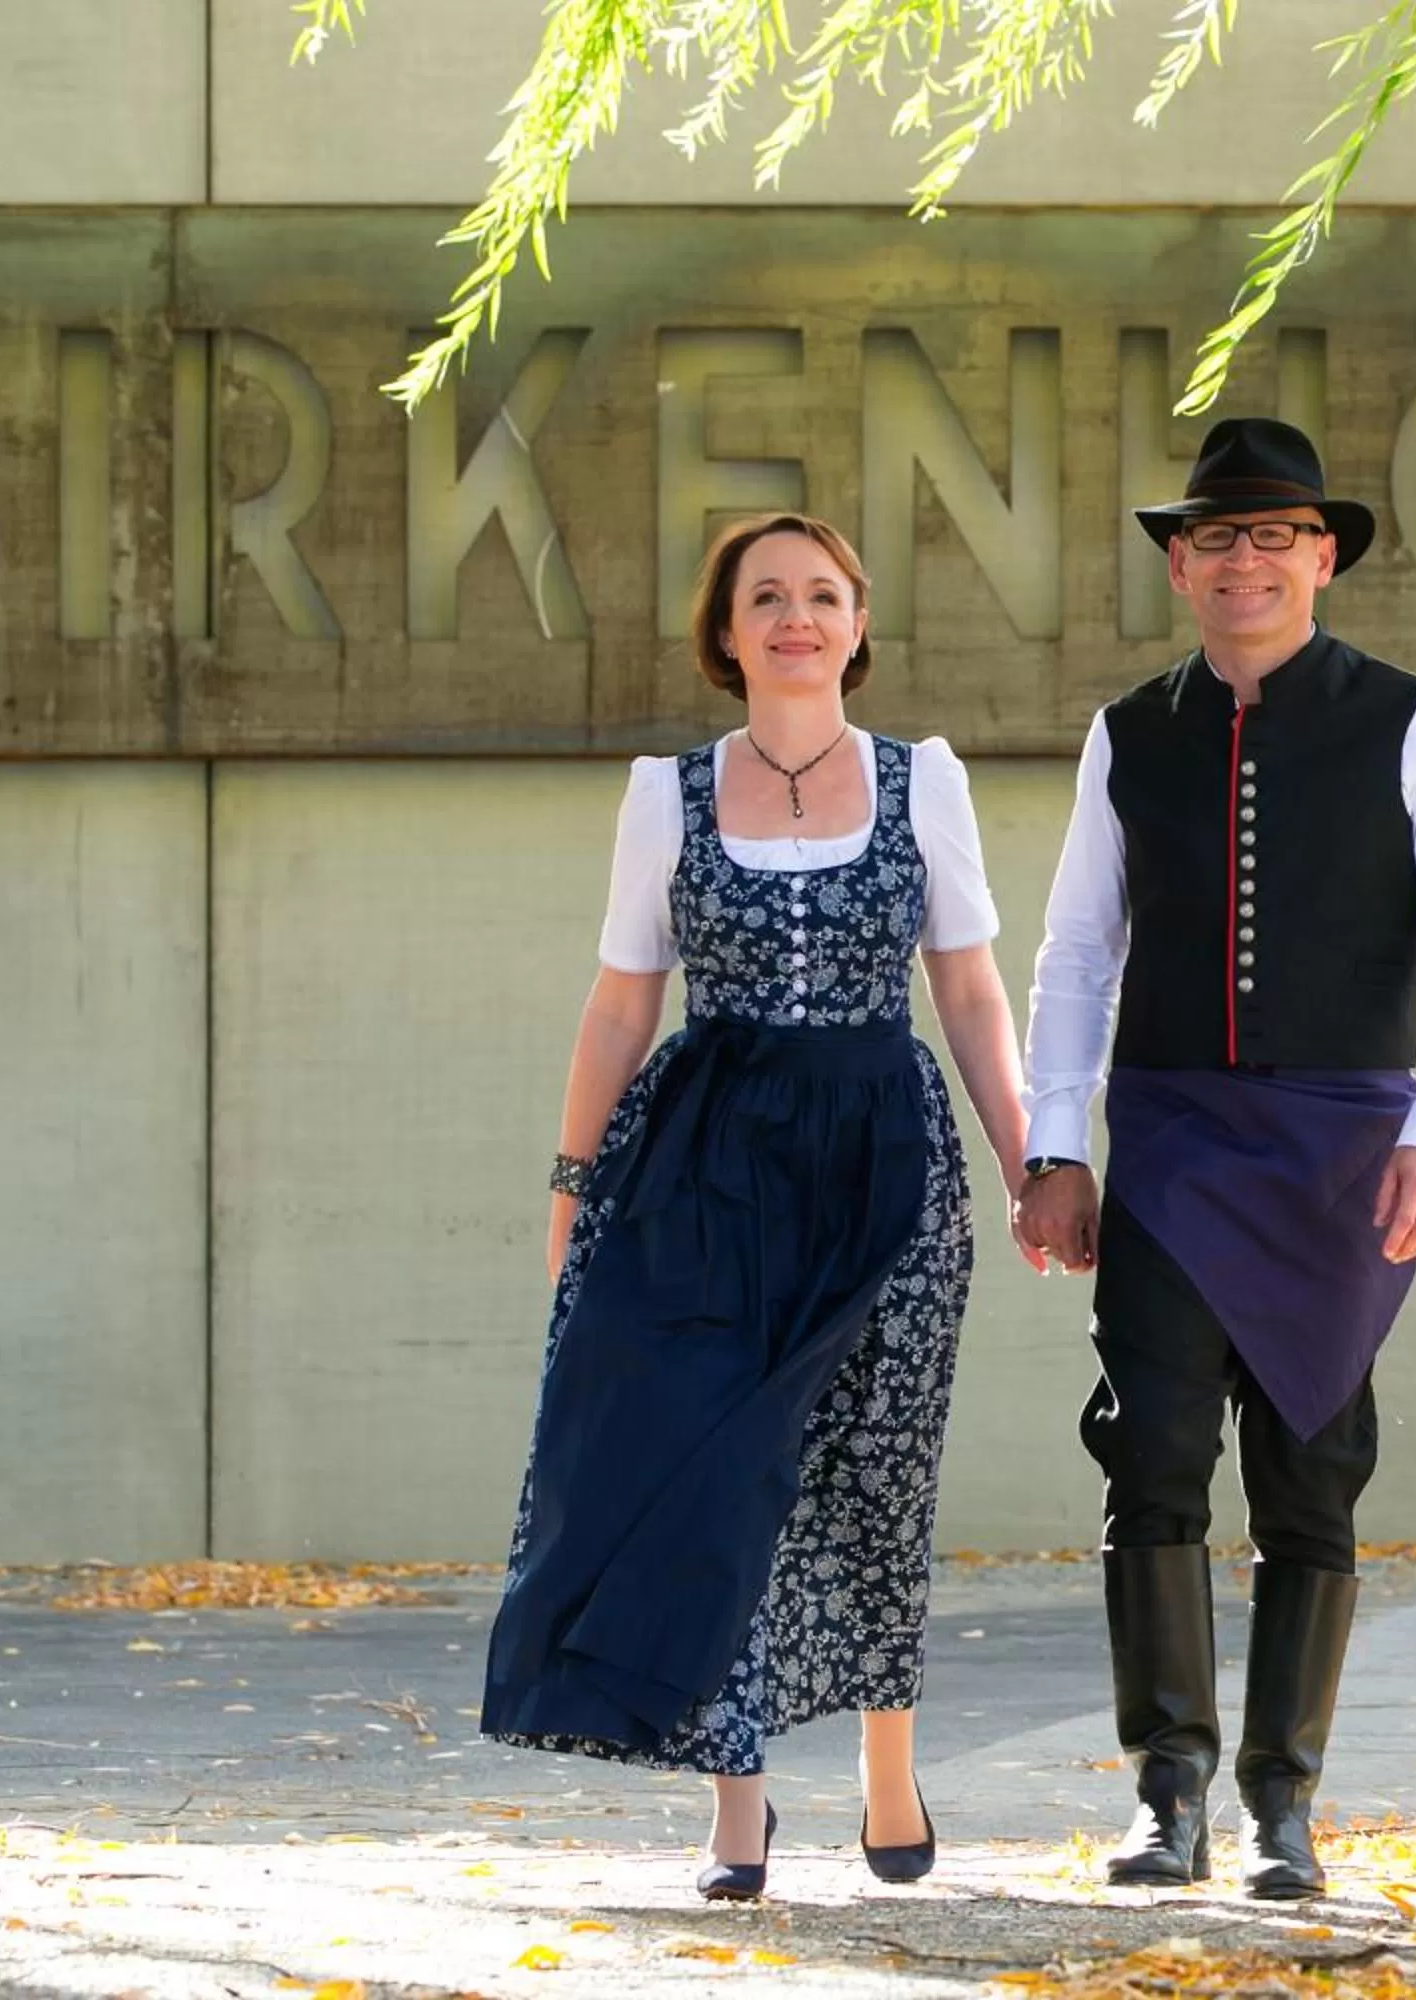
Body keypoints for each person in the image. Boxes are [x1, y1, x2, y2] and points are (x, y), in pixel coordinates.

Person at [480, 513, 1035, 1902]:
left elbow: (967, 989)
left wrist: (1036, 1166)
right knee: (720, 1473)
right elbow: (623, 1000)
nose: (797, 616)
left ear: (859, 623)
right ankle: (738, 1809)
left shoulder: (926, 784)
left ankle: (888, 1768)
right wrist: (570, 1175)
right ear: (725, 632)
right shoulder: (666, 792)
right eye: (766, 596)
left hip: (882, 1154)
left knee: (876, 1466)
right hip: (706, 1165)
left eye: (823, 594)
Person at [1015, 417, 1416, 1900]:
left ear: (1325, 557)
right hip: (1169, 1139)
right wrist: (1055, 1141)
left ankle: (1283, 1801)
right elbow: (1078, 950)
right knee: (1153, 1451)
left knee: (1314, 1470)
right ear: (1181, 564)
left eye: (1276, 535)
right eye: (1219, 536)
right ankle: (1166, 1792)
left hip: (1347, 1149)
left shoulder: (1414, 720)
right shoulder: (1131, 730)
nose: (1248, 559)